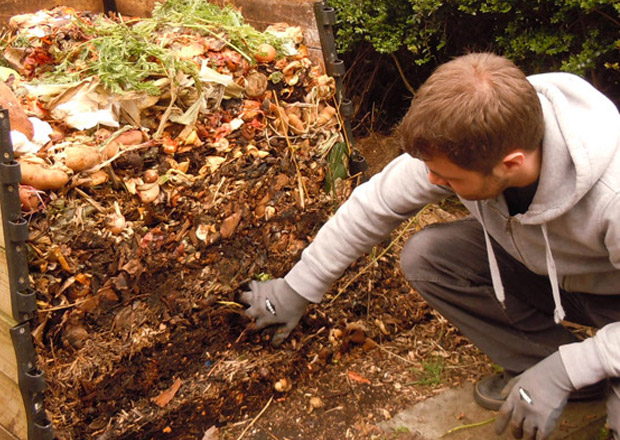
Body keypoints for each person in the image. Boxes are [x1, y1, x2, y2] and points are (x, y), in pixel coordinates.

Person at [239, 52, 620, 439]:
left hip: (613, 298)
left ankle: (571, 376)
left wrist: (568, 368)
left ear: (511, 164)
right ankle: (557, 375)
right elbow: (378, 203)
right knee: (429, 257)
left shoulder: (614, 194)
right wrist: (296, 287)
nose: (431, 180)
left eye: (447, 177)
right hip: (548, 271)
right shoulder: (476, 131)